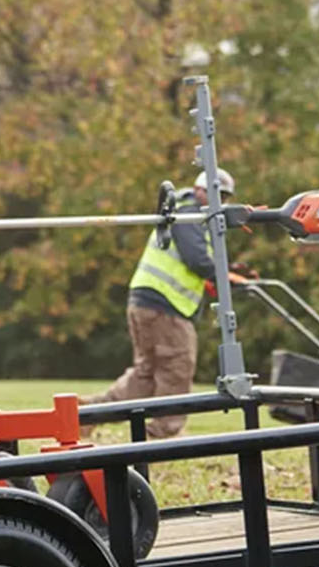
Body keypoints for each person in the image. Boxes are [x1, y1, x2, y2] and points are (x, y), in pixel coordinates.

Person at [89, 168, 238, 439]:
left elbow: (191, 262)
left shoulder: (184, 212)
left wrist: (226, 272)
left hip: (147, 300)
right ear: (199, 189)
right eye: (217, 194)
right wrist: (225, 274)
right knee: (177, 367)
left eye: (225, 197)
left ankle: (86, 415)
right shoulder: (187, 213)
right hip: (165, 305)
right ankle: (162, 435)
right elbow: (197, 260)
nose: (221, 201)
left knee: (145, 376)